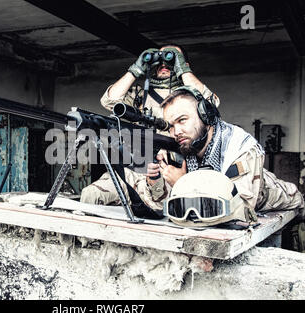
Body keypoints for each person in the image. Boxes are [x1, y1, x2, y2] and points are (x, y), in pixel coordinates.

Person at [80, 45, 219, 208]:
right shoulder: (139, 95)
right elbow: (109, 101)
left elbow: (212, 103)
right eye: (160, 60)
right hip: (134, 169)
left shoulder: (189, 97)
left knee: (159, 209)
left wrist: (181, 66)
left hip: (168, 171)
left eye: (171, 59)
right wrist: (136, 69)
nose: (164, 64)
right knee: (90, 195)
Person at [145, 86, 305, 218]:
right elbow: (162, 207)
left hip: (286, 204)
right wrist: (155, 182)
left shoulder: (240, 147)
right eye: (171, 126)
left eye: (182, 120)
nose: (175, 132)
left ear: (205, 116)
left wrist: (183, 184)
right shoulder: (183, 146)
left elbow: (239, 212)